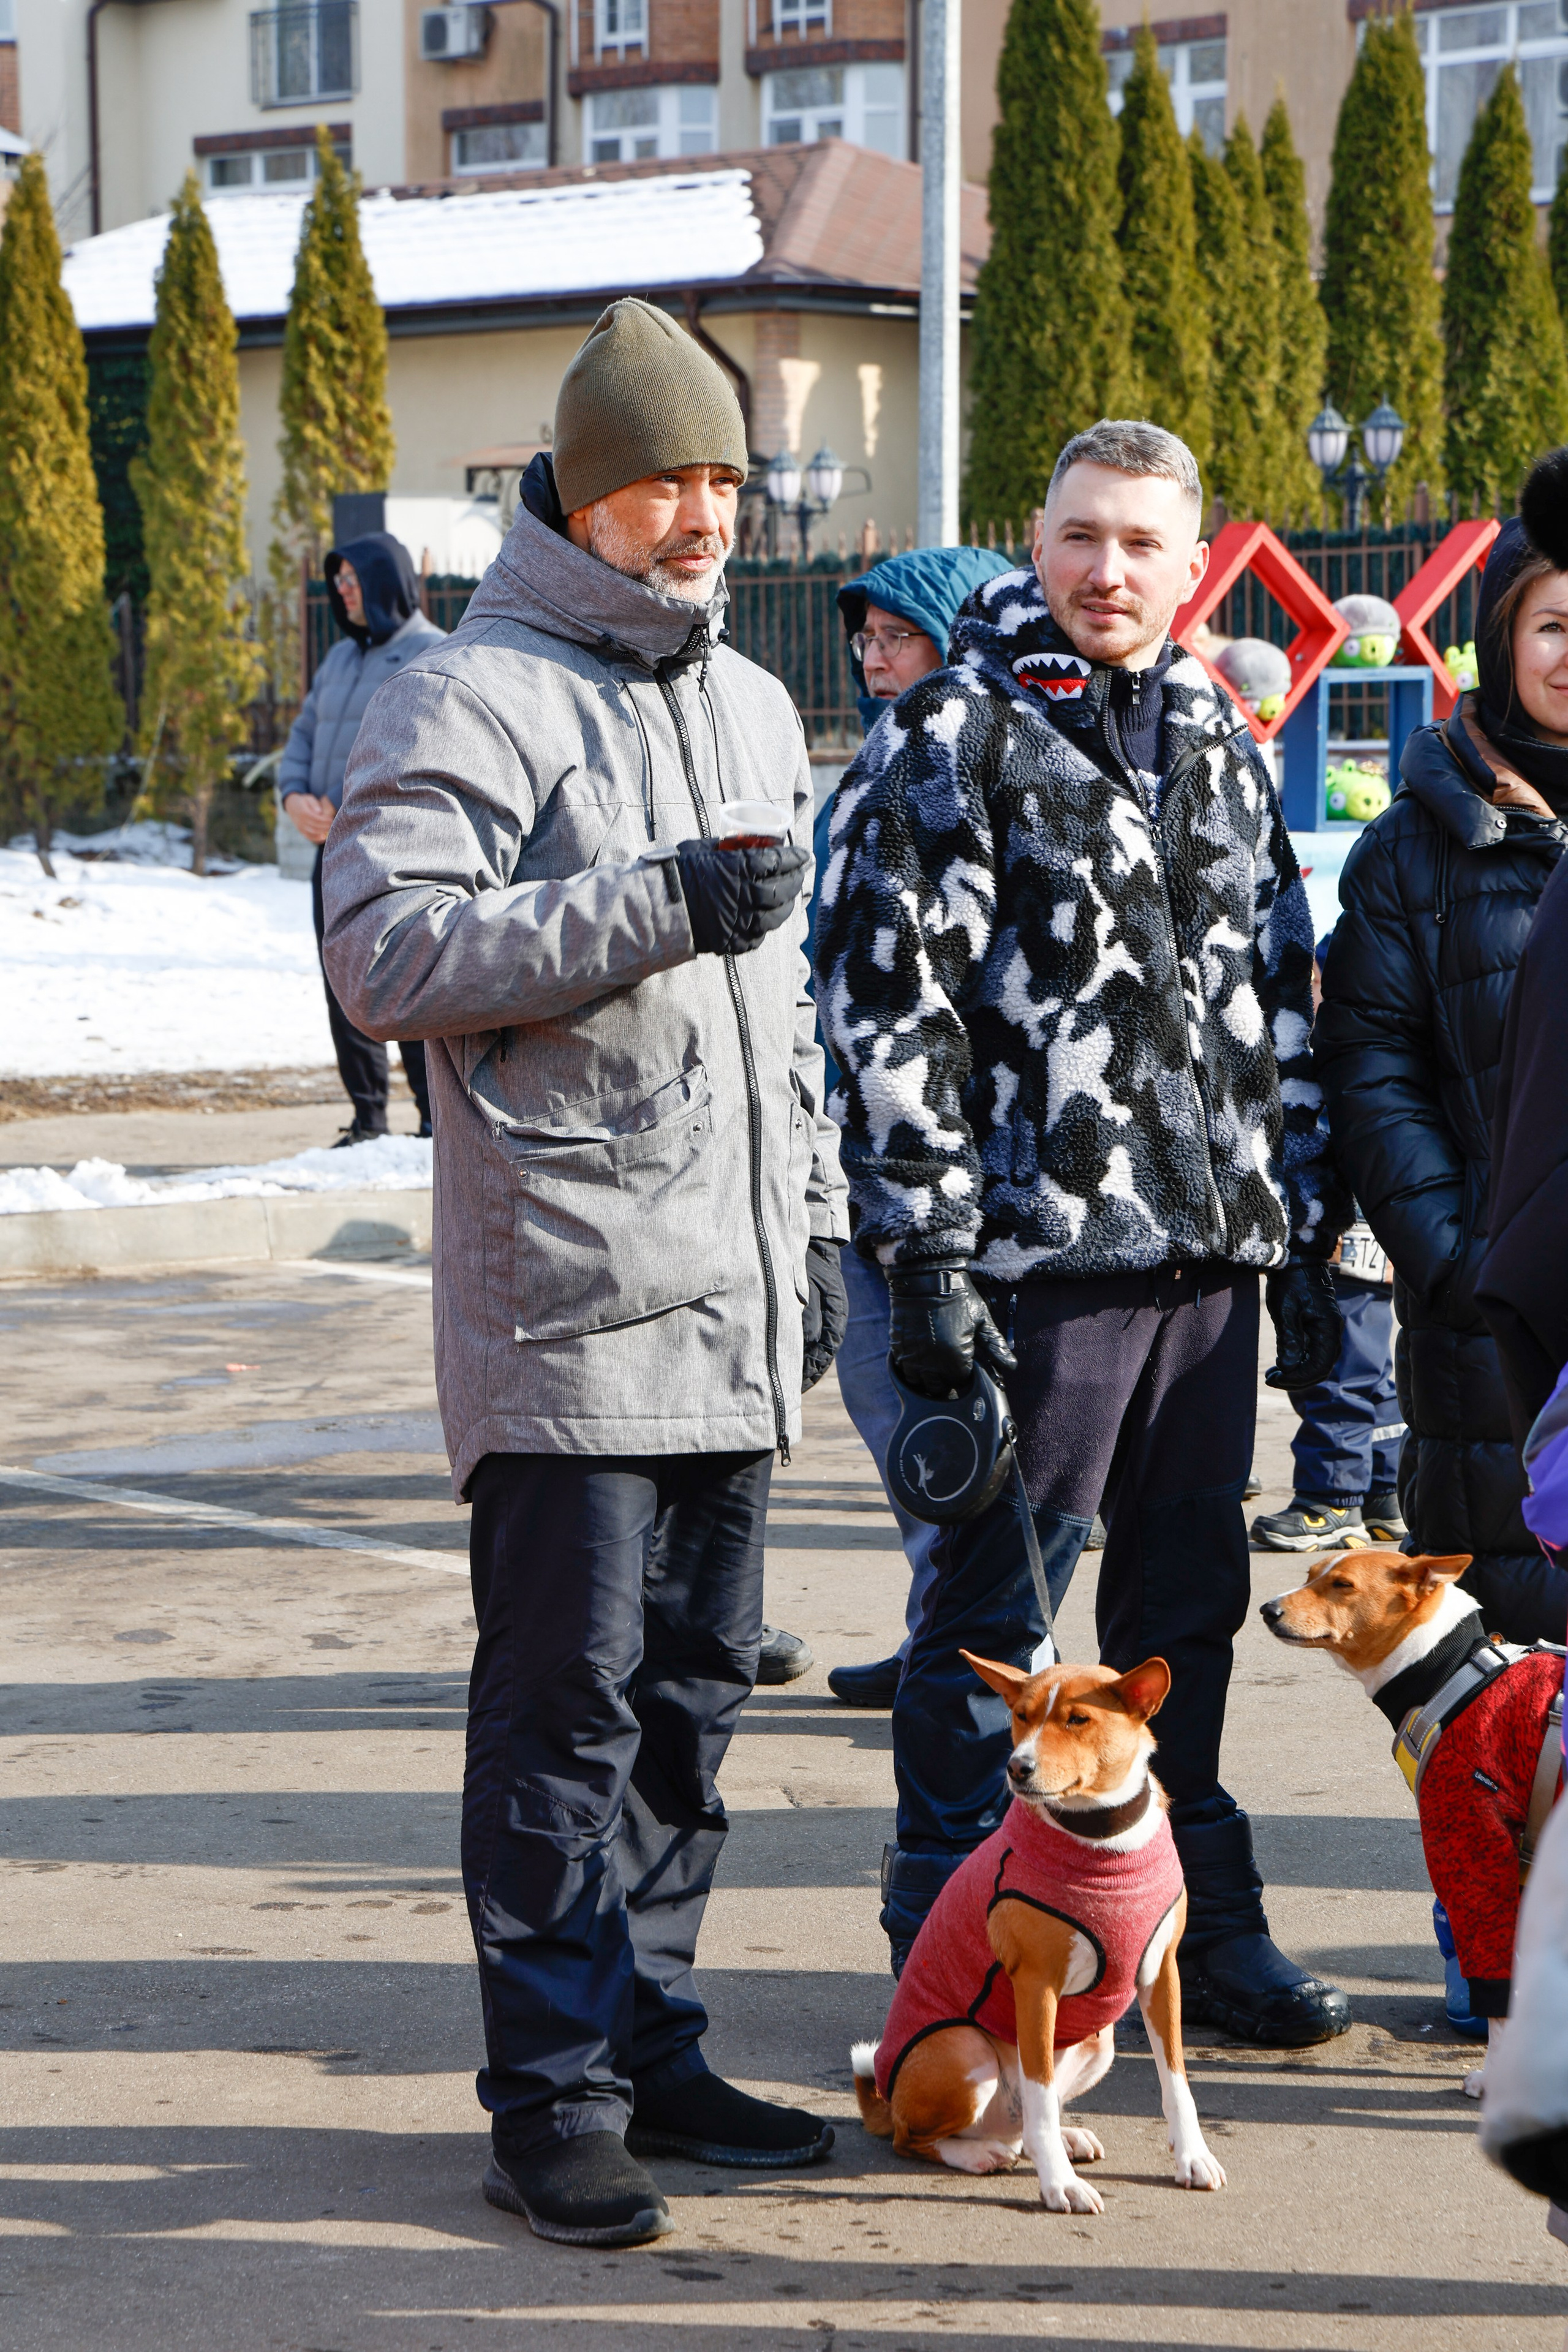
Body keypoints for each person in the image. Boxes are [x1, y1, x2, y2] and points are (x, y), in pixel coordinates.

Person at [322, 297, 848, 2250]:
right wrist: (654, 901)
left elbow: (771, 1032)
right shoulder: (465, 691)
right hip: (561, 1307)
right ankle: (548, 2093)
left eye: (720, 476)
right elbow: (385, 957)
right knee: (568, 1715)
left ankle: (651, 2039)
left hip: (729, 1309)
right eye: (657, 481)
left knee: (696, 1696)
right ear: (577, 491)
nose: (699, 512)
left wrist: (812, 1245)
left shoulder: (745, 696)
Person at [815, 417, 1351, 2047]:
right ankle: (945, 1933)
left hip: (1205, 1268)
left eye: (1142, 544)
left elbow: (1278, 1001)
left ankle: (1197, 1924)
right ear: (1034, 543)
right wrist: (923, 1264)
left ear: (1195, 568)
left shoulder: (1220, 732)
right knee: (992, 1629)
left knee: (1176, 1627)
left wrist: (1311, 1239)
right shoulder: (950, 736)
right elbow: (886, 1013)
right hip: (1033, 1276)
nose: (1108, 571)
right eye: (1080, 536)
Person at [1316, 447, 1568, 1643]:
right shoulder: (1415, 852)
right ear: (1502, 637)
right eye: (1552, 625)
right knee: (1510, 1685)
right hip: (1490, 1319)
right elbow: (1371, 1068)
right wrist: (1456, 1254)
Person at [809, 545, 1014, 1709]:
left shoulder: (964, 771)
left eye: (898, 637)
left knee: (954, 1431)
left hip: (945, 1164)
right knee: (904, 1426)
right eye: (867, 638)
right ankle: (940, 1631)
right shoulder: (881, 763)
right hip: (869, 1151)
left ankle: (966, 1668)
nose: (872, 658)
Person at [279, 532, 444, 1144]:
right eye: (338, 582)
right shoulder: (338, 660)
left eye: (353, 581)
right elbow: (301, 737)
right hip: (332, 858)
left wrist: (353, 811)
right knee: (342, 985)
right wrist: (293, 796)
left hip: (394, 858)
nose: (343, 593)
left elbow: (424, 758)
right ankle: (368, 1121)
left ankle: (436, 1122)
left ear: (387, 583)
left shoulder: (433, 655)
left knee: (406, 985)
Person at [1251, 932, 1406, 1554]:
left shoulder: (1339, 1031)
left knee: (1337, 1355)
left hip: (1347, 1202)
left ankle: (1331, 1498)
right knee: (1370, 1359)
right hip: (1376, 1194)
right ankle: (1382, 1494)